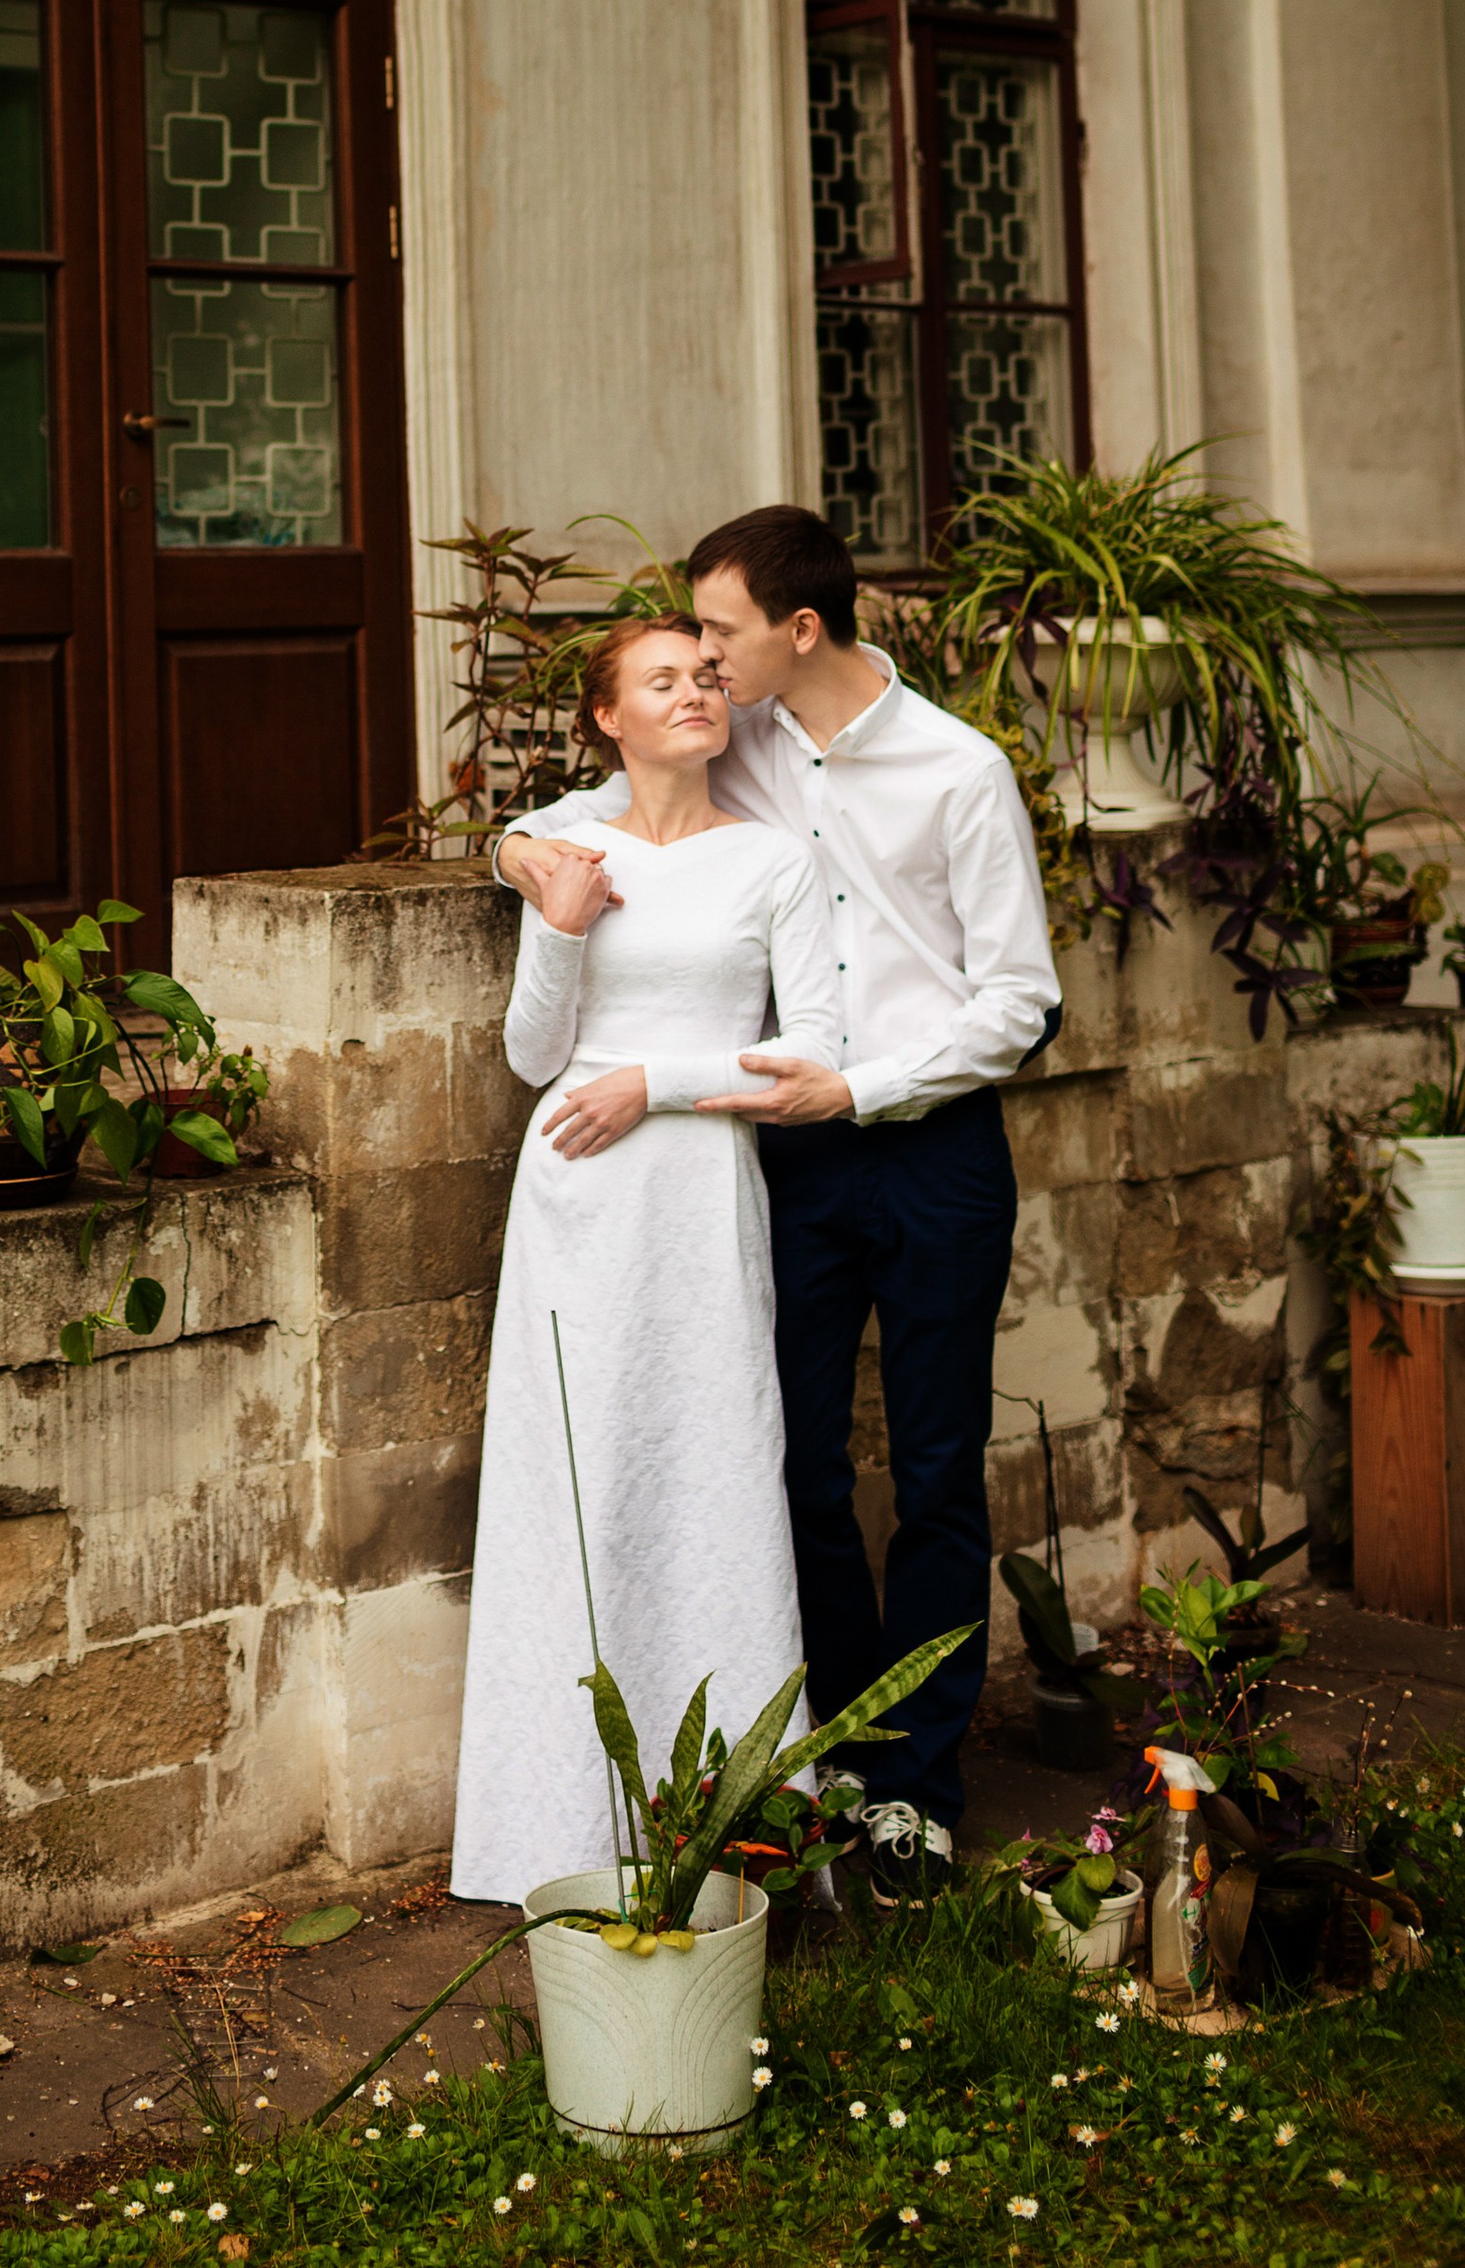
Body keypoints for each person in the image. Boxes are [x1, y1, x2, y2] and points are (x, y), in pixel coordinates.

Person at [496, 503, 1058, 1904]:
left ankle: (916, 1795)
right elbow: (580, 807)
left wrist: (856, 1092)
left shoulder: (959, 772)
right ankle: (831, 1763)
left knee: (932, 1476)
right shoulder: (728, 731)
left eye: (724, 634)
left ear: (797, 631)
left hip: (926, 1147)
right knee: (791, 1469)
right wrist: (521, 857)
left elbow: (1021, 1002)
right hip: (777, 1159)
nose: (705, 658)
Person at [449, 611, 843, 1907]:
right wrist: (556, 914)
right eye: (661, 680)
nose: (695, 692)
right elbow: (528, 1055)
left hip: (694, 1191)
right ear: (608, 717)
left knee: (711, 1470)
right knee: (577, 1487)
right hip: (572, 1201)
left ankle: (732, 1827)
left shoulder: (776, 863)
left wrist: (650, 1082)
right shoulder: (568, 848)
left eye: (705, 675)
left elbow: (809, 1055)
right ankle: (553, 1834)